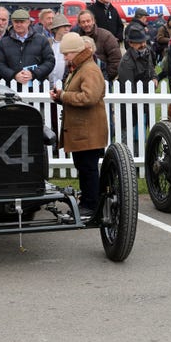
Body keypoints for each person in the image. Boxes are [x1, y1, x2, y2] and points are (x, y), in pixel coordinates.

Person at [49, 32, 107, 218]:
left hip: (88, 131)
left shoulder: (89, 69)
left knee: (88, 169)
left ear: (75, 52)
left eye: (67, 54)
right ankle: (88, 202)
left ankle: (91, 205)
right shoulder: (80, 67)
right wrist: (60, 97)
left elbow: (89, 97)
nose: (64, 57)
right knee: (83, 167)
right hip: (83, 130)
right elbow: (78, 95)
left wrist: (64, 96)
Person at [0, 9, 55, 87]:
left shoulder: (41, 40)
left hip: (36, 87)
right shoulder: (4, 42)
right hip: (12, 88)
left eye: (22, 22)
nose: (19, 25)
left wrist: (33, 73)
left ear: (28, 22)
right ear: (12, 22)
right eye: (16, 22)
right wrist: (14, 75)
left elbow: (50, 62)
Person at [117, 28, 157, 143]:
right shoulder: (126, 62)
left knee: (141, 139)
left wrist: (154, 77)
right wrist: (142, 108)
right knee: (130, 141)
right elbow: (128, 90)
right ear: (130, 43)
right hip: (131, 107)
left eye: (144, 41)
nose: (143, 44)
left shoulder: (146, 52)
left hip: (144, 103)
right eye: (139, 42)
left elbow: (151, 68)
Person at [75, 10, 121, 81]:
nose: (86, 24)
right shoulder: (77, 38)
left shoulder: (106, 36)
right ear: (79, 24)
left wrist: (105, 77)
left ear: (93, 21)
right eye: (83, 22)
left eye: (88, 21)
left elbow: (116, 60)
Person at [48, 13, 73, 84]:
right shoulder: (48, 43)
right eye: (64, 26)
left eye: (68, 26)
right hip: (48, 84)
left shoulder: (71, 43)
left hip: (66, 84)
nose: (67, 29)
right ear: (56, 29)